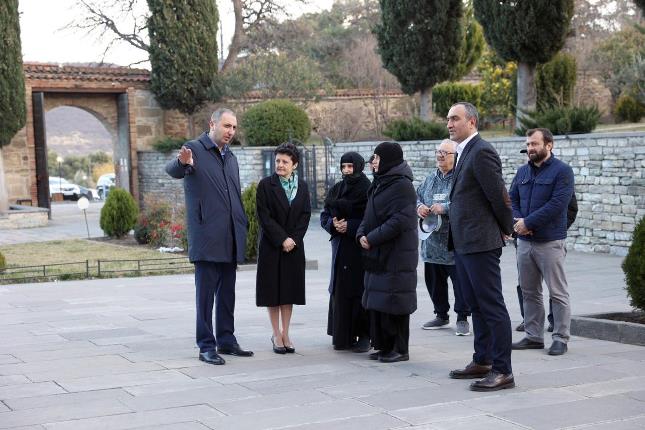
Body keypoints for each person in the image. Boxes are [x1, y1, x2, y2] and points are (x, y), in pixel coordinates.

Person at [165, 108, 253, 366]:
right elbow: (173, 170)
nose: (231, 132)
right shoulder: (193, 149)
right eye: (227, 126)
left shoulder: (231, 157)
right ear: (212, 124)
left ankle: (226, 339)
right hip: (206, 237)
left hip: (231, 236)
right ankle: (206, 345)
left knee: (228, 294)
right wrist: (183, 163)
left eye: (234, 128)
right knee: (205, 296)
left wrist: (242, 224)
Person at [445, 102, 515, 391]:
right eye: (448, 119)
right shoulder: (464, 152)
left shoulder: (482, 151)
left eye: (455, 119)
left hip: (481, 242)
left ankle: (503, 370)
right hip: (464, 243)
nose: (449, 124)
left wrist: (506, 229)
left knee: (491, 305)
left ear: (471, 122)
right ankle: (482, 360)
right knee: (475, 305)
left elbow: (498, 197)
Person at [510, 128, 575, 356]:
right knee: (529, 291)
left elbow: (558, 205)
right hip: (524, 242)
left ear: (549, 145)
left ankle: (560, 338)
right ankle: (533, 336)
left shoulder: (563, 172)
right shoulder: (521, 172)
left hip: (550, 242)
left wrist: (528, 222)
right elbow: (512, 199)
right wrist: (518, 221)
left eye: (535, 144)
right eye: (528, 144)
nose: (530, 148)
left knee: (557, 292)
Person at [357, 141, 418, 363]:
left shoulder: (402, 185)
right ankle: (384, 346)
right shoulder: (381, 182)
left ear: (388, 160)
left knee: (396, 301)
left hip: (396, 253)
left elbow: (400, 220)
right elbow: (368, 215)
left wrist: (371, 238)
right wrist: (361, 234)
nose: (373, 162)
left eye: (377, 158)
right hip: (378, 251)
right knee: (381, 301)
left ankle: (400, 349)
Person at [256, 142, 311, 354]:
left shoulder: (303, 187)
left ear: (294, 164)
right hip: (272, 245)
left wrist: (294, 239)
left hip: (294, 248)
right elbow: (264, 217)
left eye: (285, 162)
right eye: (277, 161)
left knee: (289, 292)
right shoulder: (265, 185)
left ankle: (286, 332)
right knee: (273, 291)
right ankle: (275, 333)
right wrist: (282, 239)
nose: (280, 165)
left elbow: (305, 216)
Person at [417, 139, 471, 336]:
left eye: (445, 153)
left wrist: (445, 208)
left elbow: (466, 203)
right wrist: (419, 208)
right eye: (438, 151)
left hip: (454, 242)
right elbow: (416, 197)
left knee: (461, 283)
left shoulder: (461, 178)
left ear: (456, 157)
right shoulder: (429, 179)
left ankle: (462, 318)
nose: (440, 155)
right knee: (434, 281)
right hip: (431, 242)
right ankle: (441, 315)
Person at [321, 152, 371, 352]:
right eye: (344, 167)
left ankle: (364, 335)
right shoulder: (337, 189)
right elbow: (325, 214)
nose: (347, 171)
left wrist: (350, 226)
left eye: (350, 167)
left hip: (359, 249)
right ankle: (343, 335)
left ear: (359, 167)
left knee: (359, 291)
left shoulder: (367, 190)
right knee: (341, 291)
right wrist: (332, 224)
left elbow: (371, 218)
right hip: (340, 248)